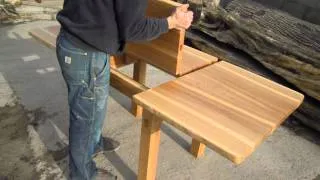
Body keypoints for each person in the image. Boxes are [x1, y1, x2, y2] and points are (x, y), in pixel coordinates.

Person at [55, 0, 193, 179]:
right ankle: (82, 174)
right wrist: (172, 22)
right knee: (84, 118)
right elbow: (134, 29)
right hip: (85, 53)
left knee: (97, 105)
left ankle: (93, 144)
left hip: (79, 42)